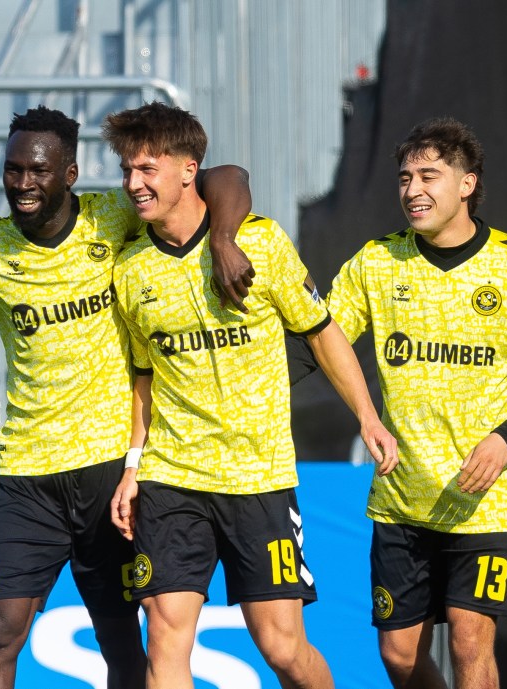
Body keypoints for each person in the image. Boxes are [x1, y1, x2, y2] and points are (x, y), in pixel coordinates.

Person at [0, 104, 255, 689]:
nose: (22, 183)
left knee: (122, 644)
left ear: (69, 174)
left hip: (106, 473)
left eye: (37, 171)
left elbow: (227, 177)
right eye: (13, 169)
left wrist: (222, 236)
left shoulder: (113, 217)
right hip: (25, 476)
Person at [103, 102, 398, 689]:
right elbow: (145, 379)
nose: (133, 184)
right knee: (164, 640)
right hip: (173, 477)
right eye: (126, 171)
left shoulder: (260, 244)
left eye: (146, 169)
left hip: (257, 477)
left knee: (283, 648)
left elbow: (324, 333)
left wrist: (367, 415)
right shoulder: (131, 268)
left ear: (188, 170)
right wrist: (133, 467)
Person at [324, 117, 507, 688]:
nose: (413, 190)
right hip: (402, 493)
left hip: (484, 497)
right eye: (404, 177)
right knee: (397, 656)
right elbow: (324, 339)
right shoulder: (377, 262)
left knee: (469, 643)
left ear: (467, 184)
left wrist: (503, 440)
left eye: (429, 176)